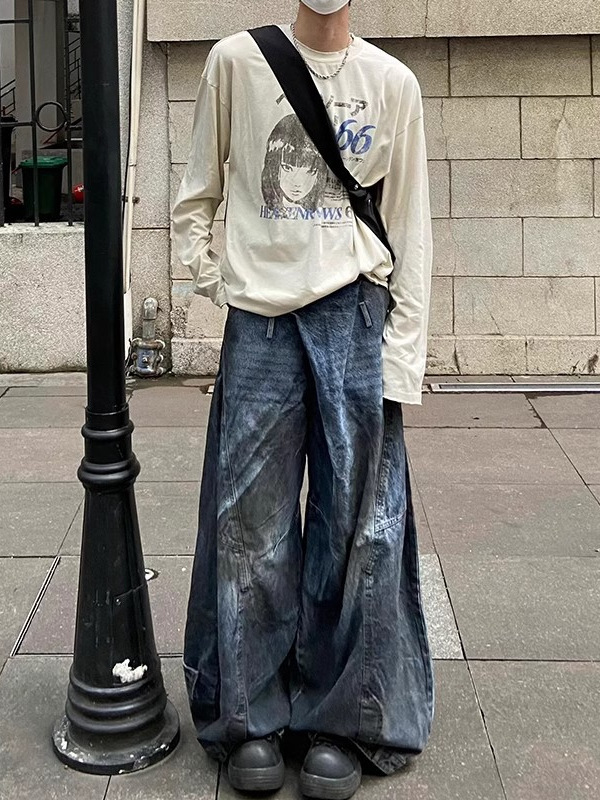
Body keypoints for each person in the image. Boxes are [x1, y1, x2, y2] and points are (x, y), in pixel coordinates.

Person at [171, 2, 434, 798]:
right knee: (248, 526)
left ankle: (340, 717)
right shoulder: (236, 62)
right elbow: (195, 196)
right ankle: (249, 712)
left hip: (355, 315)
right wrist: (221, 282)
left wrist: (402, 357)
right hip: (261, 325)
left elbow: (409, 229)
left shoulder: (392, 83)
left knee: (358, 528)